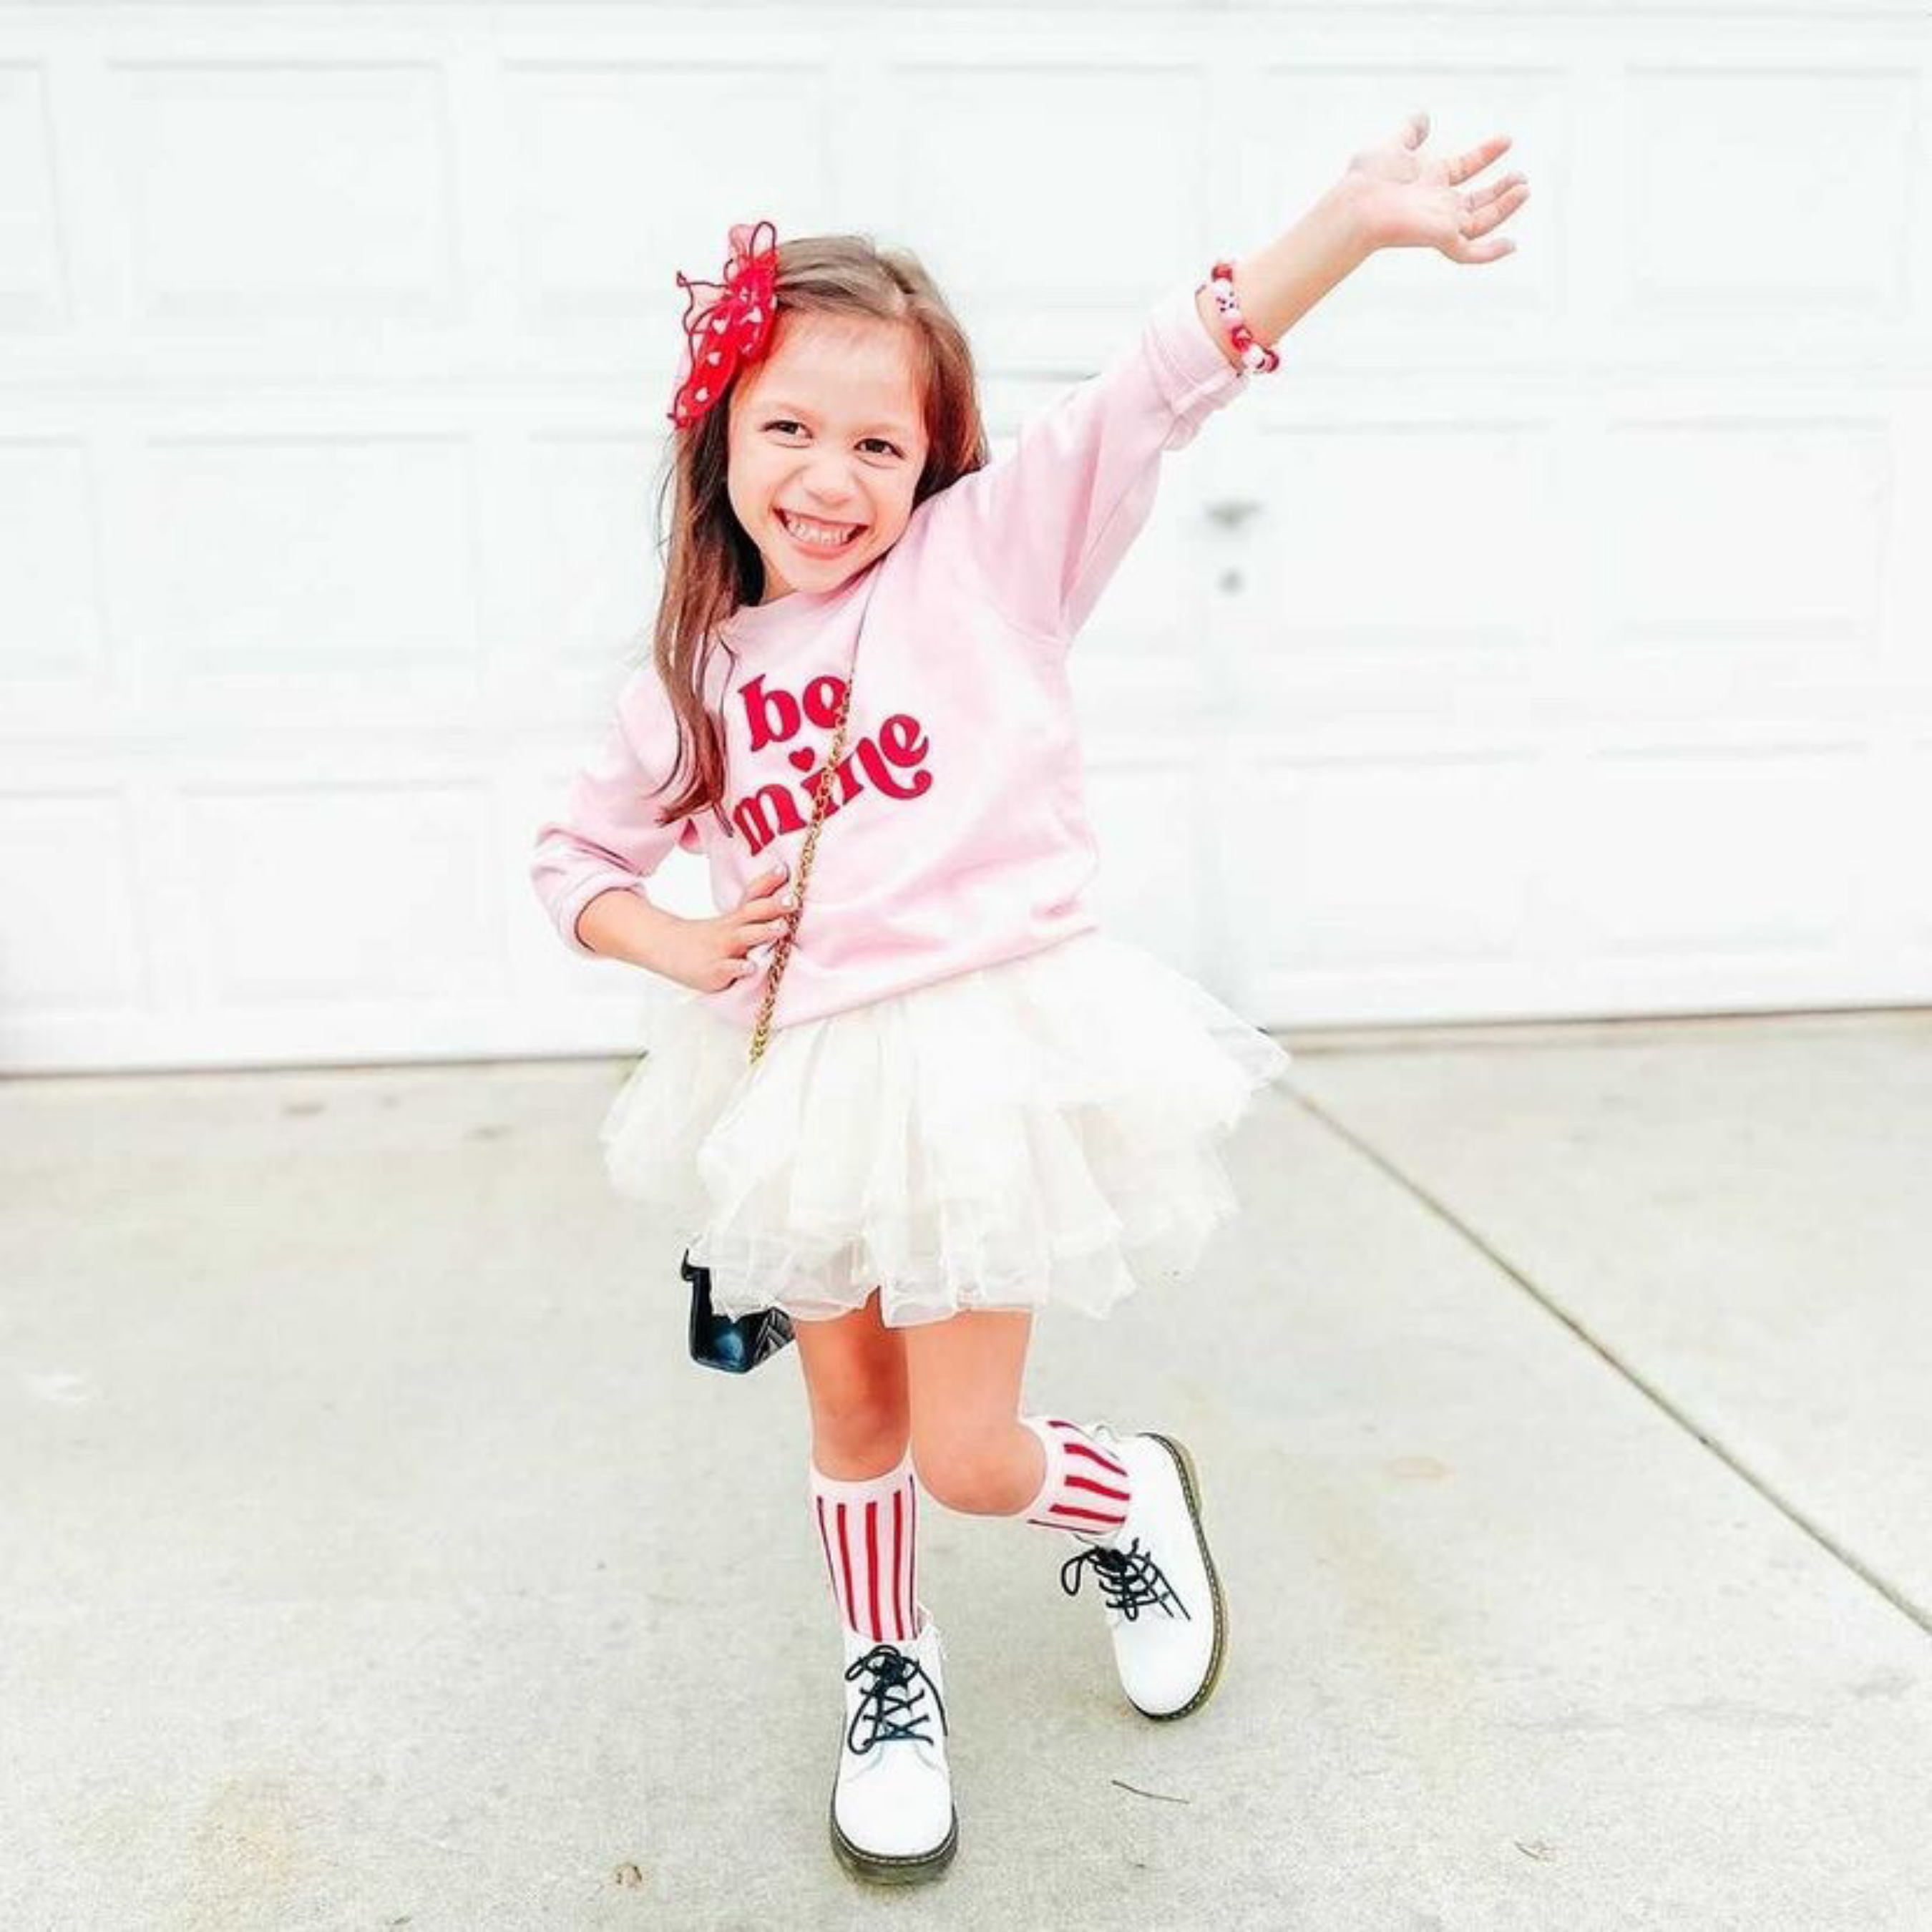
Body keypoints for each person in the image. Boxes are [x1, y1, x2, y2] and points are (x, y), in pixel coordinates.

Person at [530, 110, 1527, 1885]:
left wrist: (1353, 226)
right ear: (721, 437)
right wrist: (672, 942)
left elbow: (1166, 372)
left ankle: (1131, 1492)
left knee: (971, 1452)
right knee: (851, 1420)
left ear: (933, 462)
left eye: (877, 444)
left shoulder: (987, 563)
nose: (829, 480)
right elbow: (575, 863)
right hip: (800, 1084)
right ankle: (888, 1676)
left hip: (983, 1059)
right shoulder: (695, 676)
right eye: (790, 431)